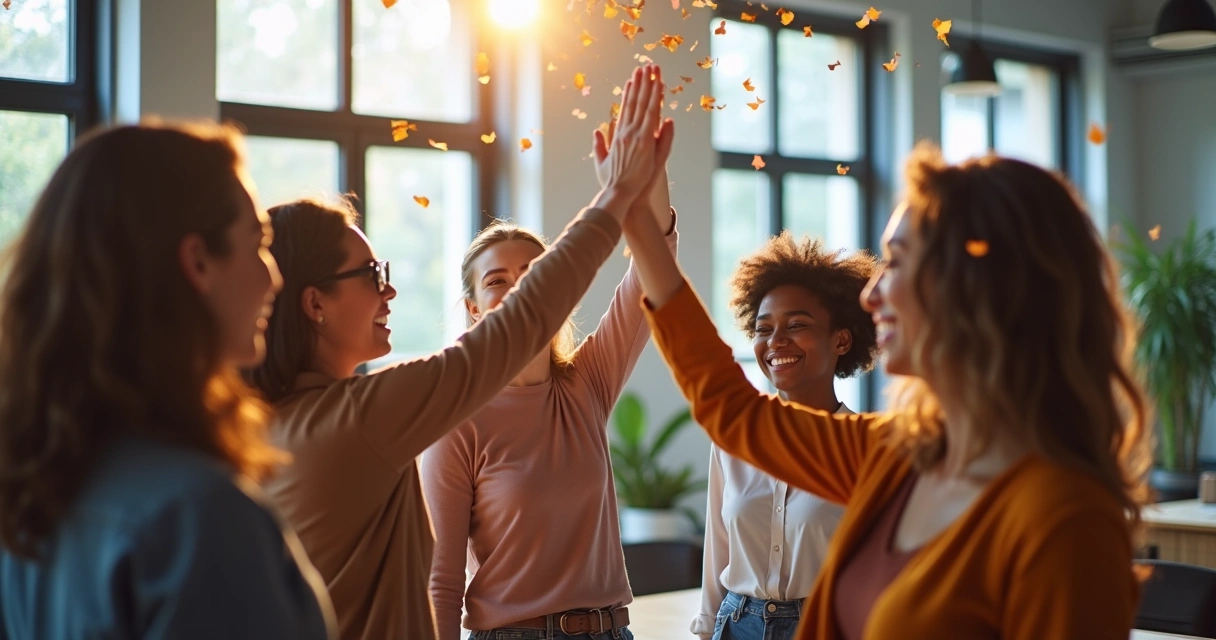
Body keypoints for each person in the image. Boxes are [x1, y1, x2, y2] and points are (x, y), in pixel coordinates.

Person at [621, 143, 1151, 640]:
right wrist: (640, 227)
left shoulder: (1065, 520)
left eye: (897, 261)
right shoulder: (896, 452)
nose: (873, 294)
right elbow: (733, 412)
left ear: (976, 286)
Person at [242, 64, 670, 640]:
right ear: (314, 304)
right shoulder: (370, 414)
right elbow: (510, 332)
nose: (389, 289)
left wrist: (643, 182)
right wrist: (616, 195)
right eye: (372, 273)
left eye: (533, 274)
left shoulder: (280, 421)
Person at [0, 122, 335, 639]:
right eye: (258, 244)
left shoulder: (30, 489)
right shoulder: (199, 518)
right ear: (198, 261)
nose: (275, 277)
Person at [421, 70, 677, 640]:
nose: (517, 289)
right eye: (496, 281)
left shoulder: (586, 381)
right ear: (472, 307)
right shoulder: (455, 418)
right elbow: (439, 578)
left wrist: (648, 172)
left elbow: (649, 273)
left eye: (534, 274)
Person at [693, 233, 879, 640]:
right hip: (735, 623)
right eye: (764, 329)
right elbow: (717, 548)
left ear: (842, 339)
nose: (776, 341)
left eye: (796, 325)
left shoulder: (865, 447)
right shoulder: (733, 438)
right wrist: (706, 630)